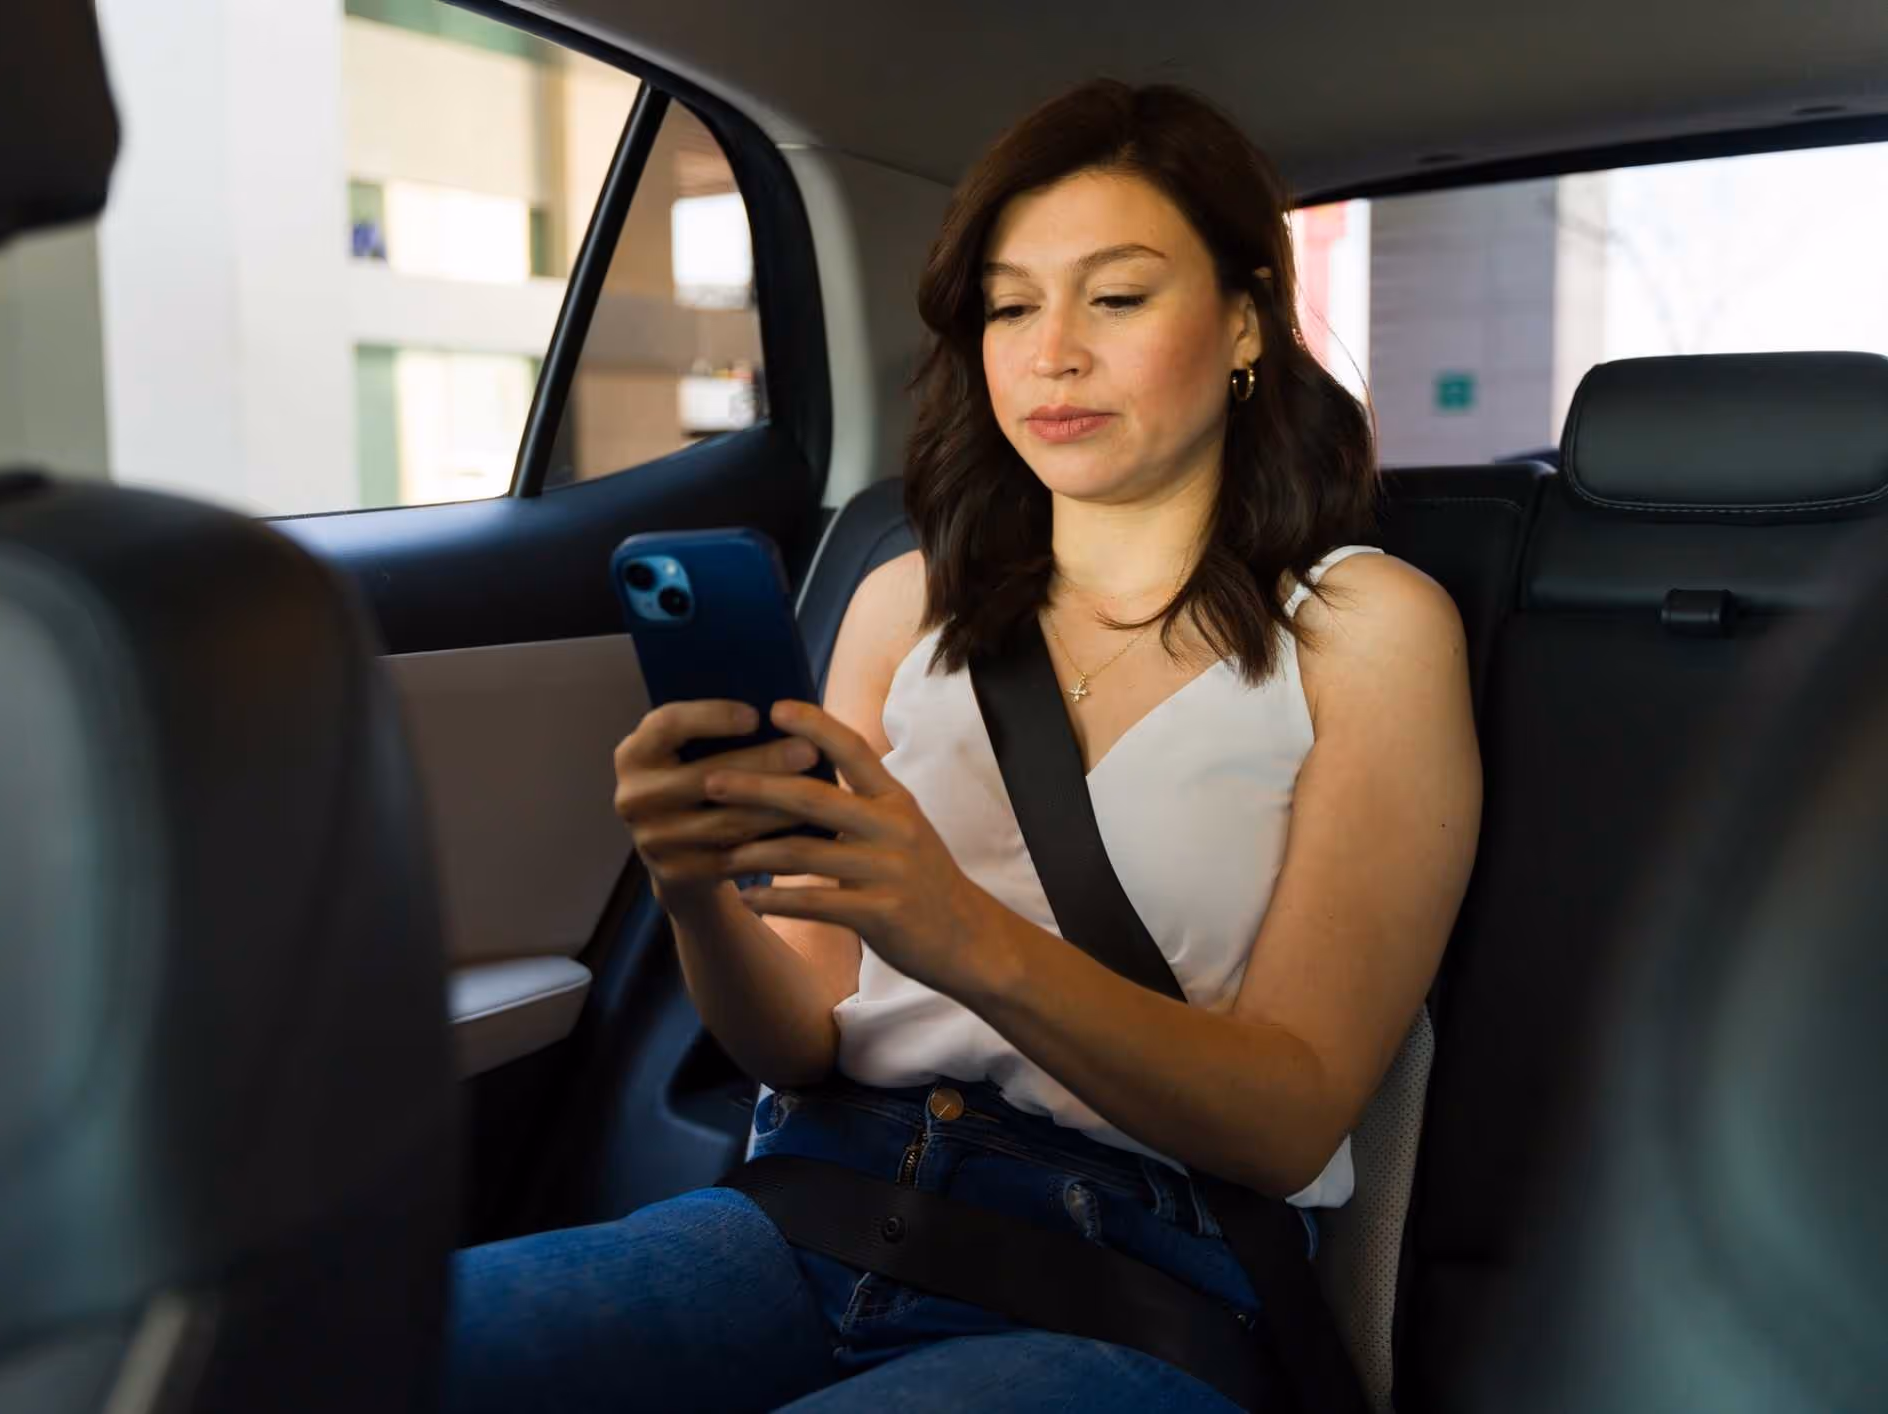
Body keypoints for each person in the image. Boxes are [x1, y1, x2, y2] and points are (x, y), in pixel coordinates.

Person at [443, 78, 1481, 1414]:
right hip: (809, 1207)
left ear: (1241, 322)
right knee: (329, 1352)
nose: (1051, 351)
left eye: (1115, 297)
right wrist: (693, 882)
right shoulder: (903, 600)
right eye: (1009, 304)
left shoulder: (1366, 627)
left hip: (1134, 1276)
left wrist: (955, 930)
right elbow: (801, 1037)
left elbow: (1288, 1117)